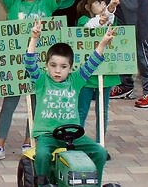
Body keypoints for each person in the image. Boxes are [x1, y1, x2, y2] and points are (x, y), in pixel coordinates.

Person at [0, 0, 92, 163]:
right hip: (12, 65)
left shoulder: (47, 2)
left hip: (38, 65)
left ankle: (28, 142)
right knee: (9, 104)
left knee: (35, 104)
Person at [25, 20, 112, 187]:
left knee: (100, 152)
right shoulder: (42, 80)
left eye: (63, 66)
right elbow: (29, 63)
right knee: (42, 154)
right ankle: (43, 183)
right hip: (47, 135)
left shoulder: (76, 80)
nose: (58, 70)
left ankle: (95, 183)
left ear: (70, 68)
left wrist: (103, 43)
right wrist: (34, 38)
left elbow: (92, 62)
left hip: (73, 135)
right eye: (53, 66)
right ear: (46, 66)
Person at [76, 0, 122, 147]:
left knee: (102, 111)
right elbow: (91, 26)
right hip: (87, 75)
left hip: (106, 72)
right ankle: (77, 142)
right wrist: (104, 16)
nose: (102, 5)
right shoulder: (83, 20)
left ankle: (100, 143)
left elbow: (109, 20)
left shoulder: (110, 19)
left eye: (103, 2)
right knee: (81, 110)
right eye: (97, 2)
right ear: (88, 6)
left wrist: (110, 9)